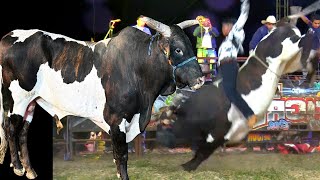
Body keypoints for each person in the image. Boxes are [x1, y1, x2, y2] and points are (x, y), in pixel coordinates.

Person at [217, 0, 257, 129]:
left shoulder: (236, 31)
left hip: (229, 65)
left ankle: (249, 114)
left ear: (230, 26)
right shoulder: (225, 41)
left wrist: (245, 2)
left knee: (230, 91)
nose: (223, 29)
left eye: (225, 26)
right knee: (223, 93)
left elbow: (243, 16)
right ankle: (226, 121)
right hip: (224, 67)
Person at [127, 16, 152, 153]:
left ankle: (142, 145)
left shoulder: (147, 31)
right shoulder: (132, 30)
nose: (144, 22)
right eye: (142, 20)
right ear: (138, 20)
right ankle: (130, 145)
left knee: (141, 118)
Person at [193, 16, 220, 82]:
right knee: (201, 62)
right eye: (205, 21)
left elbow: (217, 34)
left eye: (208, 21)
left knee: (212, 62)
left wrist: (210, 28)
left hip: (211, 49)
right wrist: (200, 26)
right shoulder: (199, 29)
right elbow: (195, 34)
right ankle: (201, 76)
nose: (206, 22)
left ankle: (212, 76)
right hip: (201, 49)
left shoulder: (212, 29)